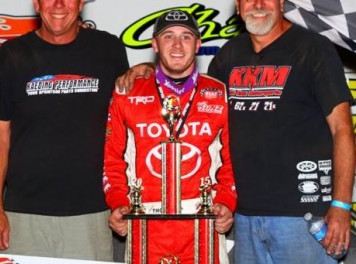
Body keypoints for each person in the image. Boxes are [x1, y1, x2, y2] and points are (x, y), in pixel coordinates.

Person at [118, 0, 356, 263]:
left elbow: (343, 130)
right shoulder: (229, 55)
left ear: (280, 2)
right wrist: (151, 72)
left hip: (302, 216)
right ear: (238, 6)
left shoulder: (313, 48)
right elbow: (192, 97)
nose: (257, 4)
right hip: (243, 217)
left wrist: (341, 205)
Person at [0, 0, 129, 260]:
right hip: (22, 215)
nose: (59, 4)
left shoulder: (108, 49)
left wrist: (147, 70)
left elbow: (134, 106)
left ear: (81, 3)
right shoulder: (12, 54)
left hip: (91, 214)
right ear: (36, 4)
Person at [103, 10, 236, 263]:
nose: (177, 45)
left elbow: (232, 161)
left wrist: (226, 202)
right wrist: (119, 203)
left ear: (198, 44)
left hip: (203, 223)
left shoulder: (219, 93)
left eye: (186, 37)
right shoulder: (128, 91)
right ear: (154, 44)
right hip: (145, 222)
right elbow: (112, 160)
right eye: (168, 37)